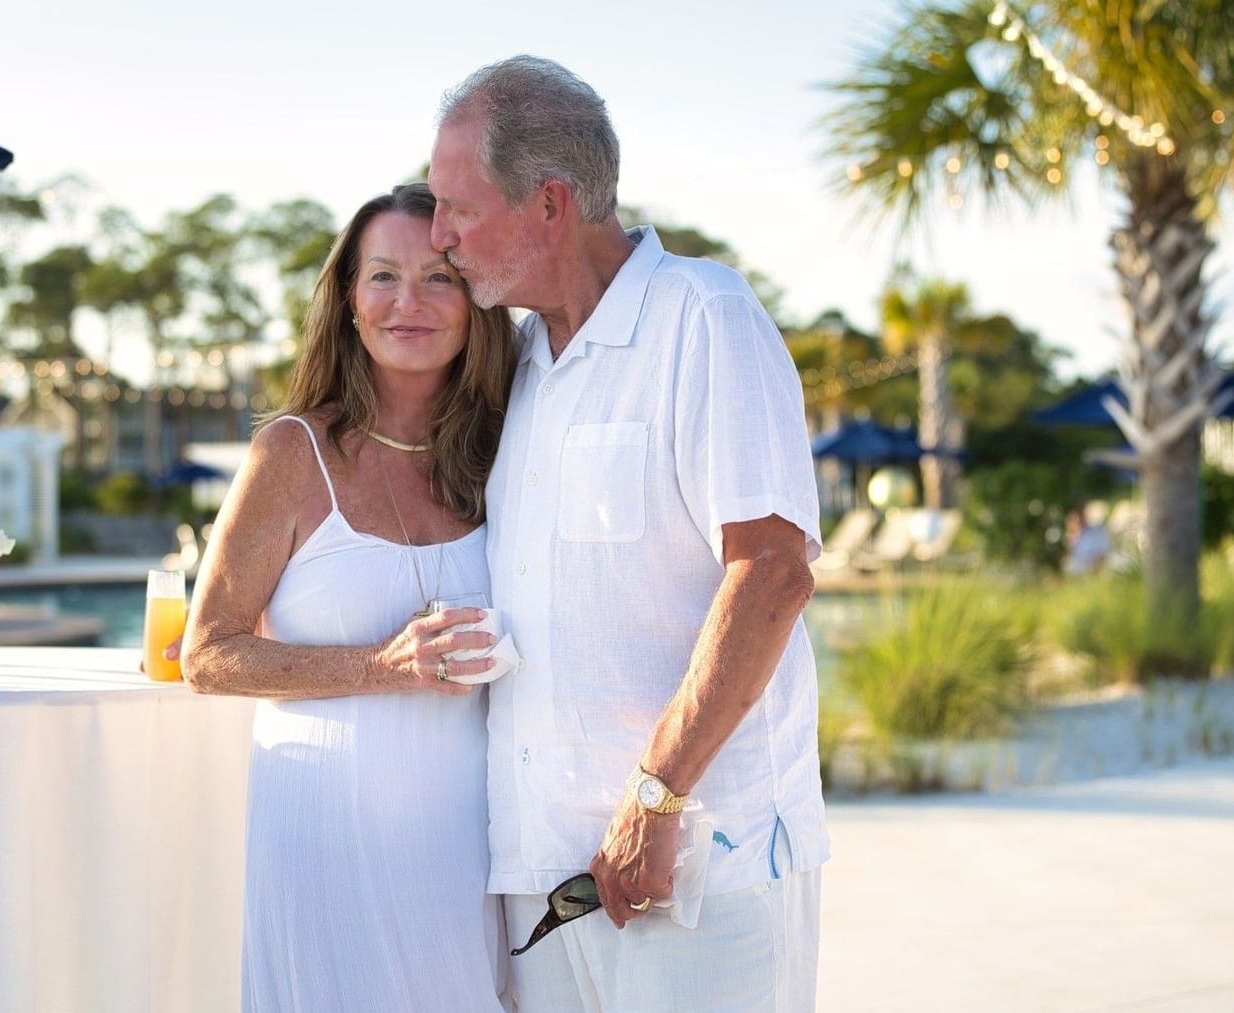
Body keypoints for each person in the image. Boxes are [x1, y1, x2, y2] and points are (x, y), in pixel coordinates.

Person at [428, 56, 829, 1011]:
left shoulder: (706, 317)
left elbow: (770, 573)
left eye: (458, 208)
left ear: (550, 205)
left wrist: (656, 797)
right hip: (542, 877)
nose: (441, 237)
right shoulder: (518, 362)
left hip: (698, 863)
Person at [180, 183, 517, 1012]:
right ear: (348, 303)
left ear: (476, 302)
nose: (410, 302)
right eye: (382, 277)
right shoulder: (292, 452)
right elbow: (208, 653)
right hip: (325, 840)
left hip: (466, 849)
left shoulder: (504, 451)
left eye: (439, 277)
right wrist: (385, 663)